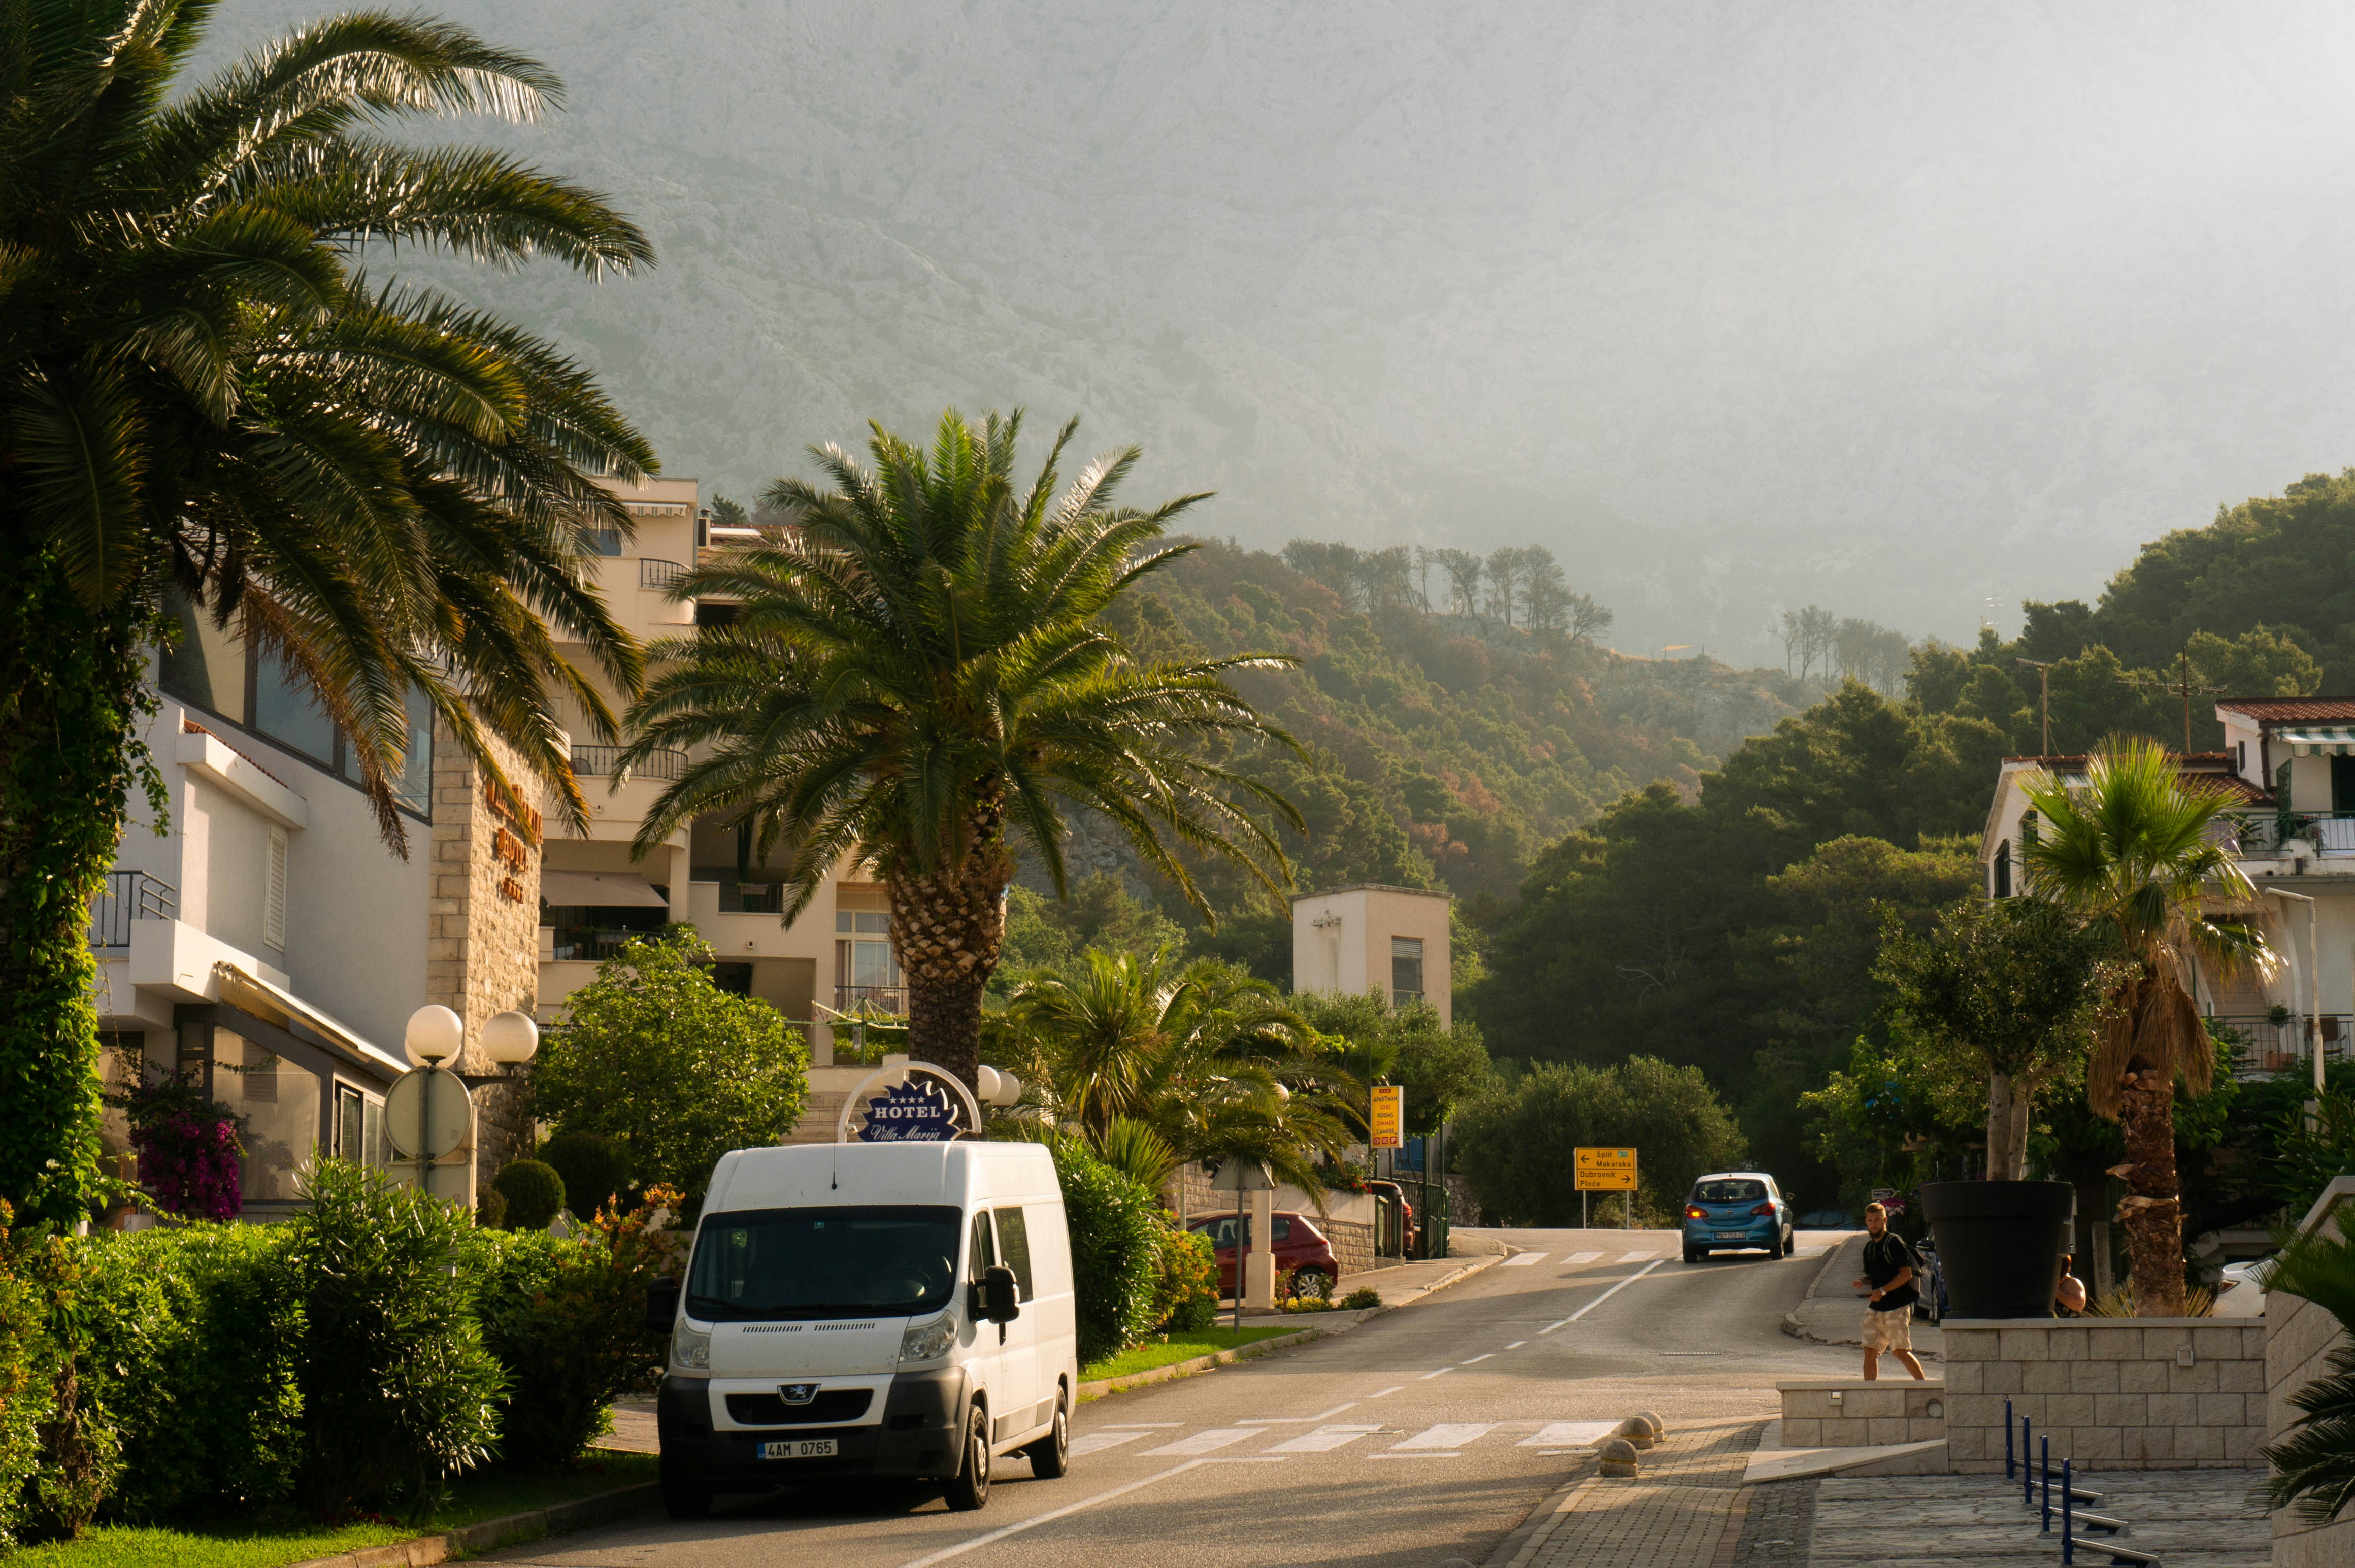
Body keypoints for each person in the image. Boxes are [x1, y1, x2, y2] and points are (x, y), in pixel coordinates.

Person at [1853, 1202, 1926, 1381]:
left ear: (1885, 1220)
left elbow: (1906, 1274)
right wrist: (1863, 1282)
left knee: (1900, 1351)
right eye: (1870, 1221)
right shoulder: (1869, 1248)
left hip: (1897, 1306)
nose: (1874, 1224)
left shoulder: (1894, 1242)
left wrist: (1883, 1291)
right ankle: (1870, 1394)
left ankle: (1924, 1389)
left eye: (1877, 1220)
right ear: (1866, 1222)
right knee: (1869, 1350)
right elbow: (1874, 1276)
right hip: (1877, 1307)